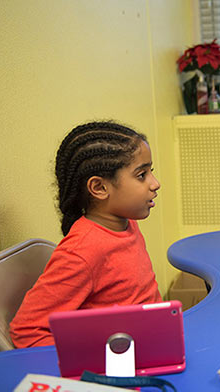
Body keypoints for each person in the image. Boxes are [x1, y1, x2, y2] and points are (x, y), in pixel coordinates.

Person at [10, 121, 163, 348]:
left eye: (151, 171)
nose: (155, 183)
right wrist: (94, 358)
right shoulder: (81, 252)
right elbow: (27, 330)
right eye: (141, 175)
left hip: (153, 340)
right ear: (99, 188)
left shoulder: (126, 223)